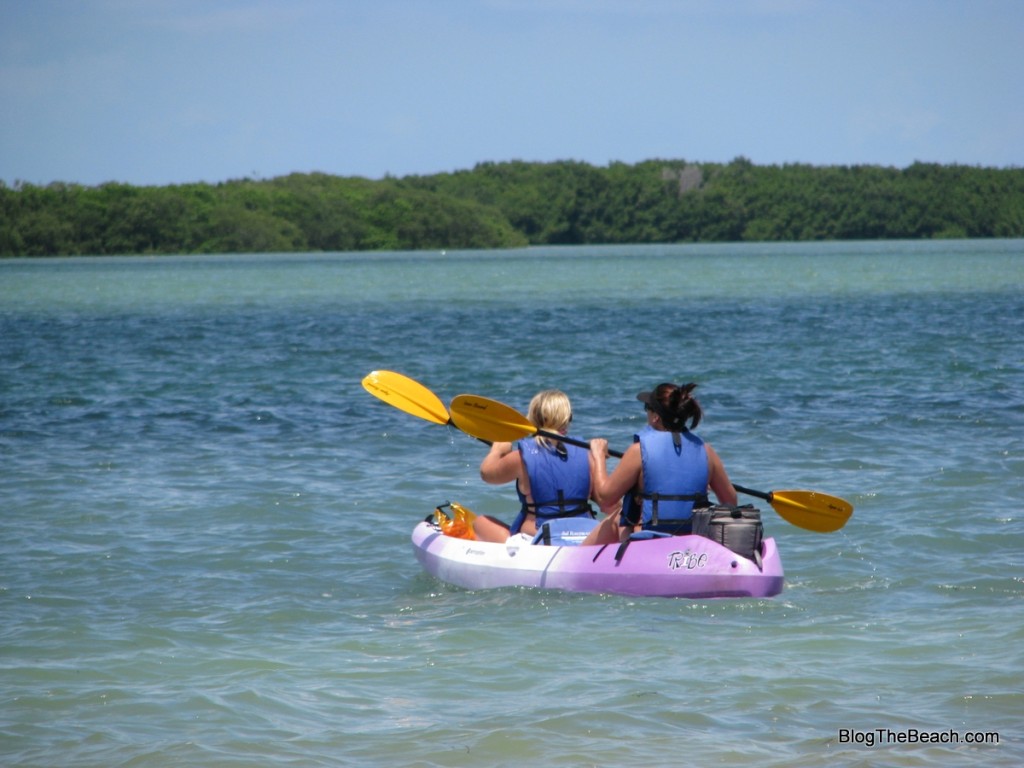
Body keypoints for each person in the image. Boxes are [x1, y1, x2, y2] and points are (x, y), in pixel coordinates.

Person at [582, 381, 737, 545]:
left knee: (617, 518)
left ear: (655, 417)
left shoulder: (638, 451)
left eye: (647, 409)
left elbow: (605, 498)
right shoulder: (706, 451)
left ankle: (576, 560)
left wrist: (598, 455)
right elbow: (730, 501)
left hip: (652, 541)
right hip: (693, 539)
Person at [471, 389, 599, 543]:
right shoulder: (588, 454)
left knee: (480, 522)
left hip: (539, 536)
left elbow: (487, 474)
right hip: (586, 534)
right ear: (567, 418)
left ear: (533, 419)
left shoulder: (521, 457)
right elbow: (608, 502)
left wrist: (498, 449)